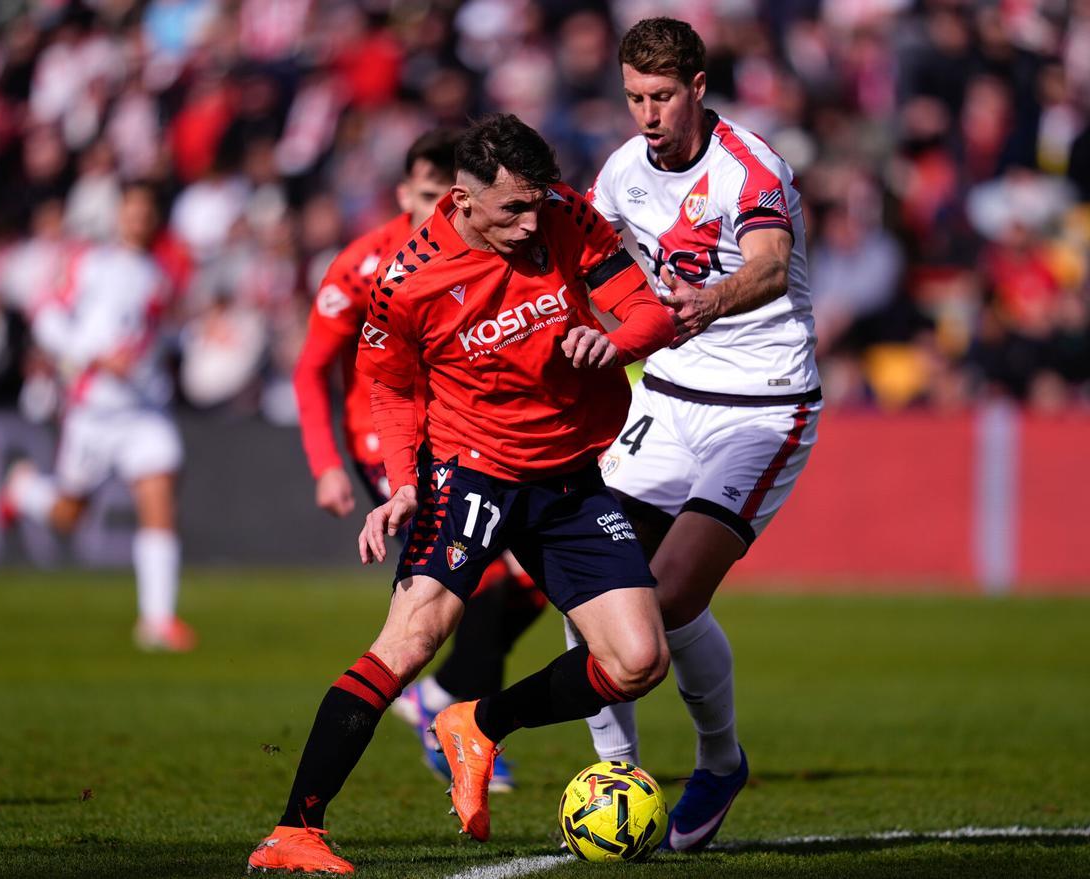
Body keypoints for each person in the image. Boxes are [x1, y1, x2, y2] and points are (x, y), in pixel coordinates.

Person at [247, 113, 676, 874]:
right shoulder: (406, 281)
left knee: (639, 660)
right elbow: (387, 387)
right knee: (411, 640)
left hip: (569, 472)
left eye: (537, 202)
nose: (531, 222)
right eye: (513, 208)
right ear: (463, 199)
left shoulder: (567, 214)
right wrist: (402, 484)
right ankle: (295, 830)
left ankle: (478, 723)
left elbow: (647, 309)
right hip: (470, 469)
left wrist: (615, 341)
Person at [580, 16, 823, 851]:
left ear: (697, 88)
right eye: (633, 98)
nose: (647, 115)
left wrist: (711, 300)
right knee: (589, 581)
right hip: (667, 395)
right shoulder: (622, 171)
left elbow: (768, 261)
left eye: (661, 97)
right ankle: (618, 775)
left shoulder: (750, 166)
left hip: (762, 404)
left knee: (673, 593)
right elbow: (580, 254)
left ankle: (720, 760)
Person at [292, 129, 547, 791]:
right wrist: (325, 462)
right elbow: (312, 368)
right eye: (431, 194)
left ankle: (440, 693)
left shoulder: (494, 251)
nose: (444, 208)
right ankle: (462, 733)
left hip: (471, 435)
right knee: (482, 579)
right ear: (407, 192)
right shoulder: (365, 267)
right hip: (390, 444)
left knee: (535, 580)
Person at [0, 183, 194, 652]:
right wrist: (93, 358)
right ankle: (23, 490)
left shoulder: (161, 274)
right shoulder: (88, 262)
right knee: (69, 514)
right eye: (132, 209)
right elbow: (45, 316)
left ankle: (157, 621)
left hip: (143, 408)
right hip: (94, 411)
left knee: (158, 491)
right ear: (118, 213)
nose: (138, 218)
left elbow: (158, 336)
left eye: (147, 211)